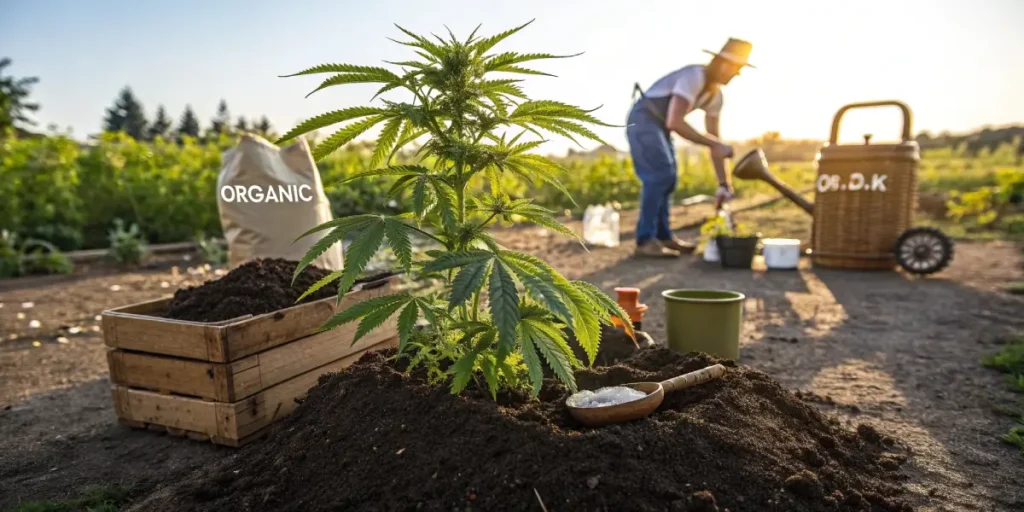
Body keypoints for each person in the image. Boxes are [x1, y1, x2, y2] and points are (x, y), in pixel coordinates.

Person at [626, 38, 754, 257]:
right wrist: (715, 143)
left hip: (660, 126)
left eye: (738, 70)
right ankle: (645, 240)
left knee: (669, 177)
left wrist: (724, 184)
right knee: (659, 175)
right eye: (733, 68)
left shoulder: (715, 97)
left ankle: (664, 237)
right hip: (644, 119)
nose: (734, 75)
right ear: (720, 62)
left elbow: (716, 143)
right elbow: (675, 122)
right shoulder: (693, 77)